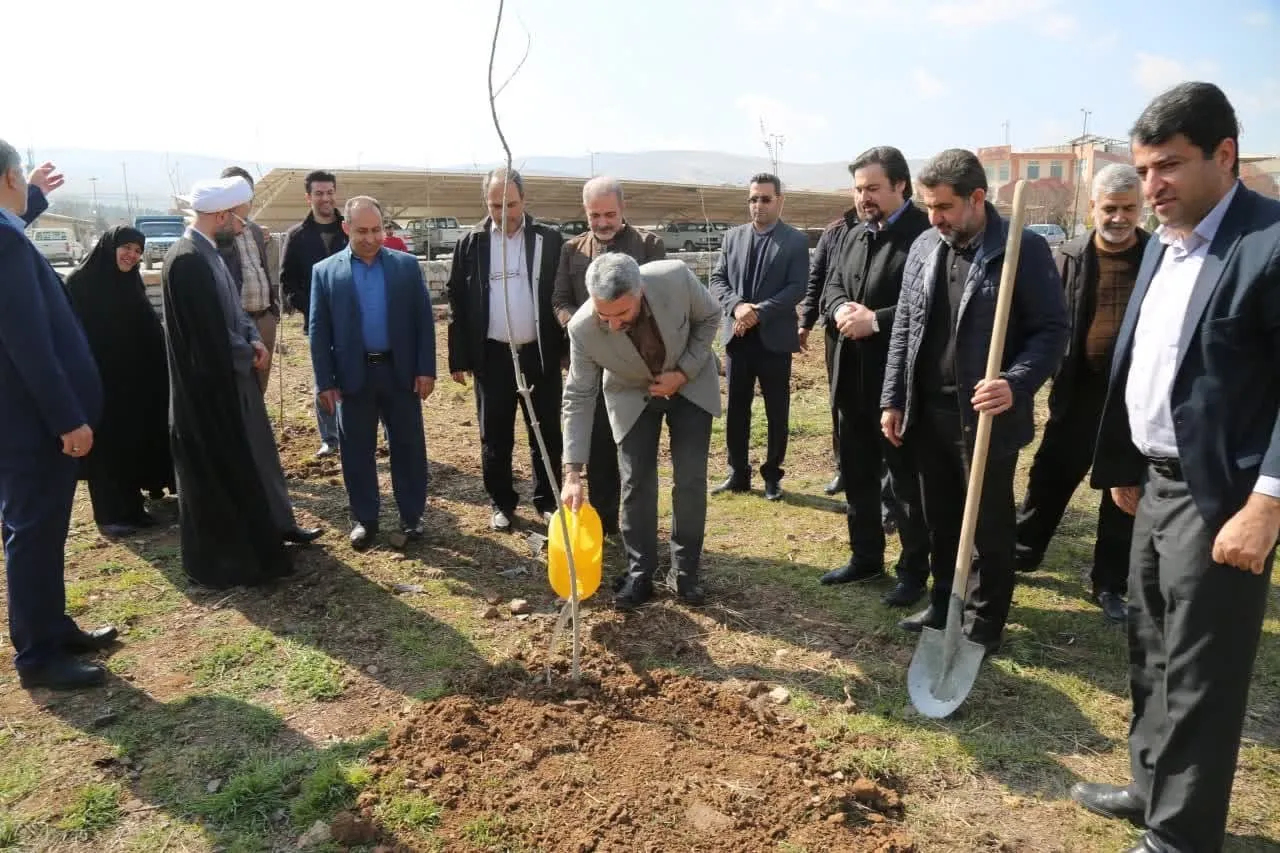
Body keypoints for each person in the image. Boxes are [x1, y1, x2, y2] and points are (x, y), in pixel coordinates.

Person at [1072, 82, 1280, 853]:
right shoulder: (1167, 241)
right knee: (1150, 644)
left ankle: (1180, 836)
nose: (1151, 186)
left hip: (1222, 494)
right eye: (1142, 170)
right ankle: (1149, 783)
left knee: (1200, 669)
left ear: (1225, 155)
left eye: (1168, 166)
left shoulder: (1269, 243)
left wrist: (1267, 503)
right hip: (1155, 482)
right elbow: (1150, 359)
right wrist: (1127, 460)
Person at [881, 148, 1068, 654]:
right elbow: (905, 327)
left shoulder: (1021, 249)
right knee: (939, 517)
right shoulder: (925, 246)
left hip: (985, 415)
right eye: (929, 207)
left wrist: (1016, 381)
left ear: (977, 198)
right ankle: (945, 600)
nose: (934, 218)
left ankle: (984, 621)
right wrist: (893, 398)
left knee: (987, 525)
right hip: (928, 411)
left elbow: (1052, 330)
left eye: (944, 207)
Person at [164, 176, 322, 589]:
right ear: (221, 215)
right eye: (239, 220)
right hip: (214, 389)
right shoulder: (188, 261)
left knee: (259, 453)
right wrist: (247, 352)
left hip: (235, 376)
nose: (242, 228)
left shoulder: (209, 253)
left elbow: (234, 312)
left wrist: (252, 339)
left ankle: (275, 526)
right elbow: (208, 334)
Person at [0, 145, 116, 690]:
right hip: (33, 424)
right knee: (33, 533)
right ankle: (39, 656)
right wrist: (67, 418)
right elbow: (29, 343)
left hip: (23, 420)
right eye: (22, 177)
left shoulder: (7, 233)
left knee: (39, 531)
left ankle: (51, 627)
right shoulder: (4, 245)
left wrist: (35, 197)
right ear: (9, 177)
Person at [1014, 163, 1148, 623]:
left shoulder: (1158, 258)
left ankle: (1109, 583)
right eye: (1110, 208)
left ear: (1141, 208)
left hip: (1131, 404)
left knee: (1122, 492)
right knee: (1049, 476)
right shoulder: (1069, 256)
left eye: (1128, 208)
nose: (1119, 217)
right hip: (1077, 393)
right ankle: (1024, 552)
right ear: (1093, 208)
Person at [561, 255, 721, 609]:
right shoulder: (582, 329)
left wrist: (683, 372)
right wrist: (572, 473)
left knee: (690, 479)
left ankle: (685, 571)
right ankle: (640, 573)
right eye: (605, 316)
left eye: (622, 313)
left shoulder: (675, 278)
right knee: (636, 482)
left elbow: (710, 316)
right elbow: (578, 396)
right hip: (631, 393)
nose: (613, 324)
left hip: (690, 385)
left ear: (640, 291)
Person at [817, 147, 932, 608]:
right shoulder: (852, 233)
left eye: (873, 189)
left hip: (897, 384)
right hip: (850, 378)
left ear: (900, 185)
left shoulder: (924, 236)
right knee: (858, 474)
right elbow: (831, 284)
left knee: (904, 482)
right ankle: (865, 557)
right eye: (858, 189)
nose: (863, 198)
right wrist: (839, 309)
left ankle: (913, 572)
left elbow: (929, 304)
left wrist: (876, 320)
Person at [311, 197, 435, 550]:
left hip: (400, 372)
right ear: (346, 228)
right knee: (356, 450)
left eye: (376, 230)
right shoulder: (326, 272)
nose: (370, 238)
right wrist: (325, 381)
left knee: (408, 447)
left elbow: (424, 321)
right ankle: (365, 519)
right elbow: (318, 331)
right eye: (362, 231)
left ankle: (412, 517)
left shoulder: (406, 267)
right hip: (352, 377)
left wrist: (426, 369)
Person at [447, 168, 564, 531]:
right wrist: (459, 356)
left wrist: (564, 351)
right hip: (493, 355)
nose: (504, 213)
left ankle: (548, 500)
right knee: (495, 434)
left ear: (524, 200)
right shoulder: (472, 243)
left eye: (511, 204)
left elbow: (562, 294)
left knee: (546, 431)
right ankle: (501, 501)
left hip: (539, 354)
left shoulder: (547, 239)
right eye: (495, 205)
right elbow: (457, 299)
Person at [552, 176, 666, 536]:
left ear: (623, 209)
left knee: (634, 453)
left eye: (609, 215)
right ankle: (604, 527)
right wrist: (586, 328)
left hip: (636, 369)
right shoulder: (572, 250)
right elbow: (560, 301)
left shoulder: (648, 245)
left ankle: (638, 530)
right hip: (590, 366)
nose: (602, 223)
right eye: (594, 215)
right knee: (599, 448)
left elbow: (659, 305)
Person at [64, 225, 174, 536]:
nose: (131, 255)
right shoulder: (81, 283)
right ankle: (110, 516)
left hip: (132, 382)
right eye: (126, 247)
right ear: (109, 247)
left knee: (129, 444)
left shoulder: (130, 281)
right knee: (106, 449)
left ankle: (132, 509)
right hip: (99, 383)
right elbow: (73, 336)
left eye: (138, 251)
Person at [709, 172, 809, 501]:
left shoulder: (795, 241)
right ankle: (738, 473)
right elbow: (718, 280)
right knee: (736, 409)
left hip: (774, 340)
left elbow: (796, 288)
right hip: (738, 339)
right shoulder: (732, 238)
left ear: (780, 200)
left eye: (765, 199)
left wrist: (758, 312)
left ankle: (772, 475)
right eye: (753, 199)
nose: (758, 205)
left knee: (776, 410)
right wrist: (737, 307)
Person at [281, 170, 346, 456]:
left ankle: (367, 432)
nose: (325, 198)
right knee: (324, 376)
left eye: (330, 192)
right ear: (308, 197)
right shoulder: (297, 236)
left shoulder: (349, 229)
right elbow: (287, 281)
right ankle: (330, 438)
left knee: (363, 373)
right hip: (318, 323)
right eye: (319, 193)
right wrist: (313, 308)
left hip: (354, 320)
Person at [217, 166, 280, 394]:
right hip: (237, 323)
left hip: (264, 318)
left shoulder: (254, 230)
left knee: (260, 384)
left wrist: (273, 312)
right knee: (237, 385)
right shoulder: (217, 231)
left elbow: (263, 269)